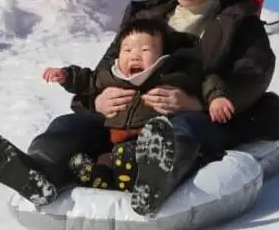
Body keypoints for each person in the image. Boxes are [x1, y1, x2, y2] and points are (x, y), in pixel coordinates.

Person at [0, 0, 279, 217]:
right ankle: (38, 171)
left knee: (182, 130)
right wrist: (97, 100)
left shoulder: (236, 19)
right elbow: (106, 70)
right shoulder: (145, 18)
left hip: (196, 121)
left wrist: (198, 103)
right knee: (70, 124)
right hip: (127, 117)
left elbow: (253, 74)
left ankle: (155, 177)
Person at [43, 16, 223, 191]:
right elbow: (88, 80)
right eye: (127, 50)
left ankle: (145, 180)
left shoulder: (171, 76)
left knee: (134, 155)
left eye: (145, 50)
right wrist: (66, 76)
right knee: (107, 157)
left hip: (149, 141)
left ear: (162, 54)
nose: (135, 56)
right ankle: (95, 175)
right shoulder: (110, 76)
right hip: (115, 140)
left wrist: (215, 98)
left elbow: (205, 81)